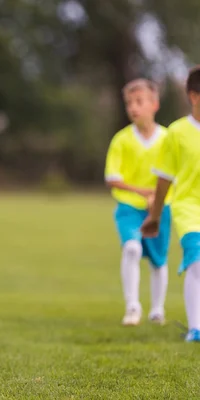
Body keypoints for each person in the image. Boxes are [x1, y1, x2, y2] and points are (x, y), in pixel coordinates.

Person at [104, 79, 171, 326]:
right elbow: (112, 178)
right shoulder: (121, 140)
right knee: (132, 248)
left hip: (160, 208)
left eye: (139, 101)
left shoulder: (168, 139)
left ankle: (157, 310)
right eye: (129, 103)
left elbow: (178, 174)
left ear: (154, 104)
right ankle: (133, 306)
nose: (133, 107)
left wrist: (158, 196)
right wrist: (143, 192)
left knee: (158, 260)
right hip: (128, 208)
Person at [142, 66, 200, 341]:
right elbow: (163, 182)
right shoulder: (176, 133)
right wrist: (154, 216)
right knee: (197, 262)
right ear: (193, 96)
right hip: (188, 207)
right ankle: (195, 328)